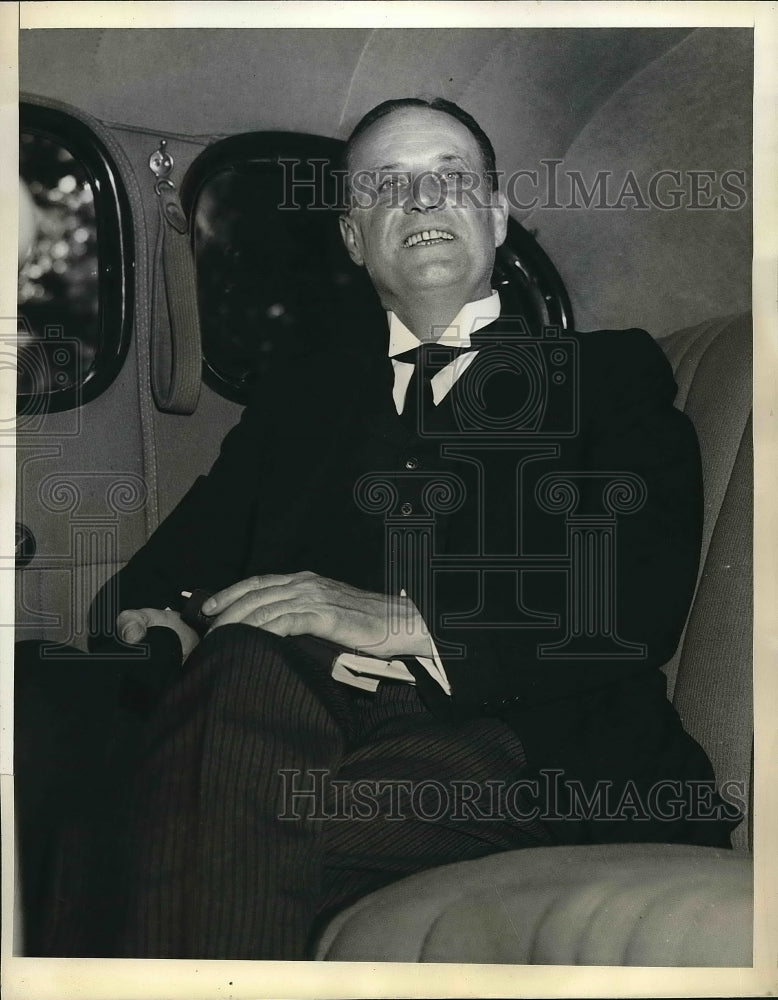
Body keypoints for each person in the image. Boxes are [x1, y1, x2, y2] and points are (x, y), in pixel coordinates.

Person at [16, 97, 740, 960]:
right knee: (67, 697)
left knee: (141, 820)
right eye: (389, 185)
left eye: (451, 178)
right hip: (287, 738)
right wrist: (179, 619)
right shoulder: (302, 405)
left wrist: (388, 617)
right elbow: (153, 579)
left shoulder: (608, 376)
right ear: (354, 237)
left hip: (540, 754)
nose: (424, 200)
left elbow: (634, 598)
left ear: (497, 217)